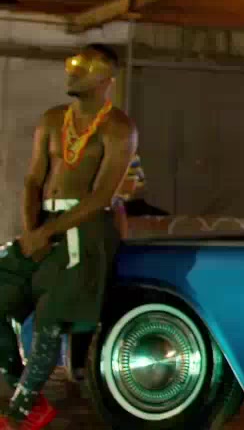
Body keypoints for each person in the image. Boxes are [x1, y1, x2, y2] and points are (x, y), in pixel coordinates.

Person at [0, 44, 137, 429]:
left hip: (86, 228)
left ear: (106, 79)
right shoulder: (53, 118)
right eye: (72, 65)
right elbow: (33, 178)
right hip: (44, 223)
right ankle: (28, 393)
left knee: (51, 318)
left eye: (84, 68)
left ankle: (20, 413)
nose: (73, 74)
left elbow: (102, 196)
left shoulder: (119, 128)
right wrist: (32, 230)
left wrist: (47, 232)